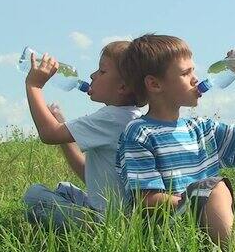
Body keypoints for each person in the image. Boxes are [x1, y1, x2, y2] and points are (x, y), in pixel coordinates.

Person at [116, 34, 235, 252]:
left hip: (214, 221)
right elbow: (146, 199)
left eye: (193, 71)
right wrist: (200, 201)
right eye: (186, 73)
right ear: (155, 84)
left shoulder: (201, 128)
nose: (195, 79)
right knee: (214, 187)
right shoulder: (140, 132)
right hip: (173, 227)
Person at [23, 41, 144, 230]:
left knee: (34, 196)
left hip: (106, 225)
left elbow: (48, 134)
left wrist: (34, 85)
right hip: (118, 218)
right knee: (65, 189)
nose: (92, 75)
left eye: (102, 71)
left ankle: (86, 233)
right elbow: (91, 178)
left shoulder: (111, 117)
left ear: (123, 87)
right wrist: (63, 129)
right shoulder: (129, 117)